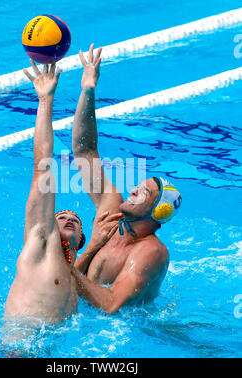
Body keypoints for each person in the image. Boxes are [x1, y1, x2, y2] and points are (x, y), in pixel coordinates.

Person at [72, 44, 182, 314]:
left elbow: (111, 306)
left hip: (131, 332)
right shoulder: (110, 214)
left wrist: (64, 268)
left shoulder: (151, 253)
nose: (133, 189)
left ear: (159, 210)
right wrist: (88, 90)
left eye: (144, 192)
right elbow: (84, 151)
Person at [5, 60, 86, 325]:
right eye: (60, 216)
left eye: (74, 218)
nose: (68, 218)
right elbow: (43, 165)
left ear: (82, 238)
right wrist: (45, 100)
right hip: (14, 351)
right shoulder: (41, 236)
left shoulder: (76, 275)